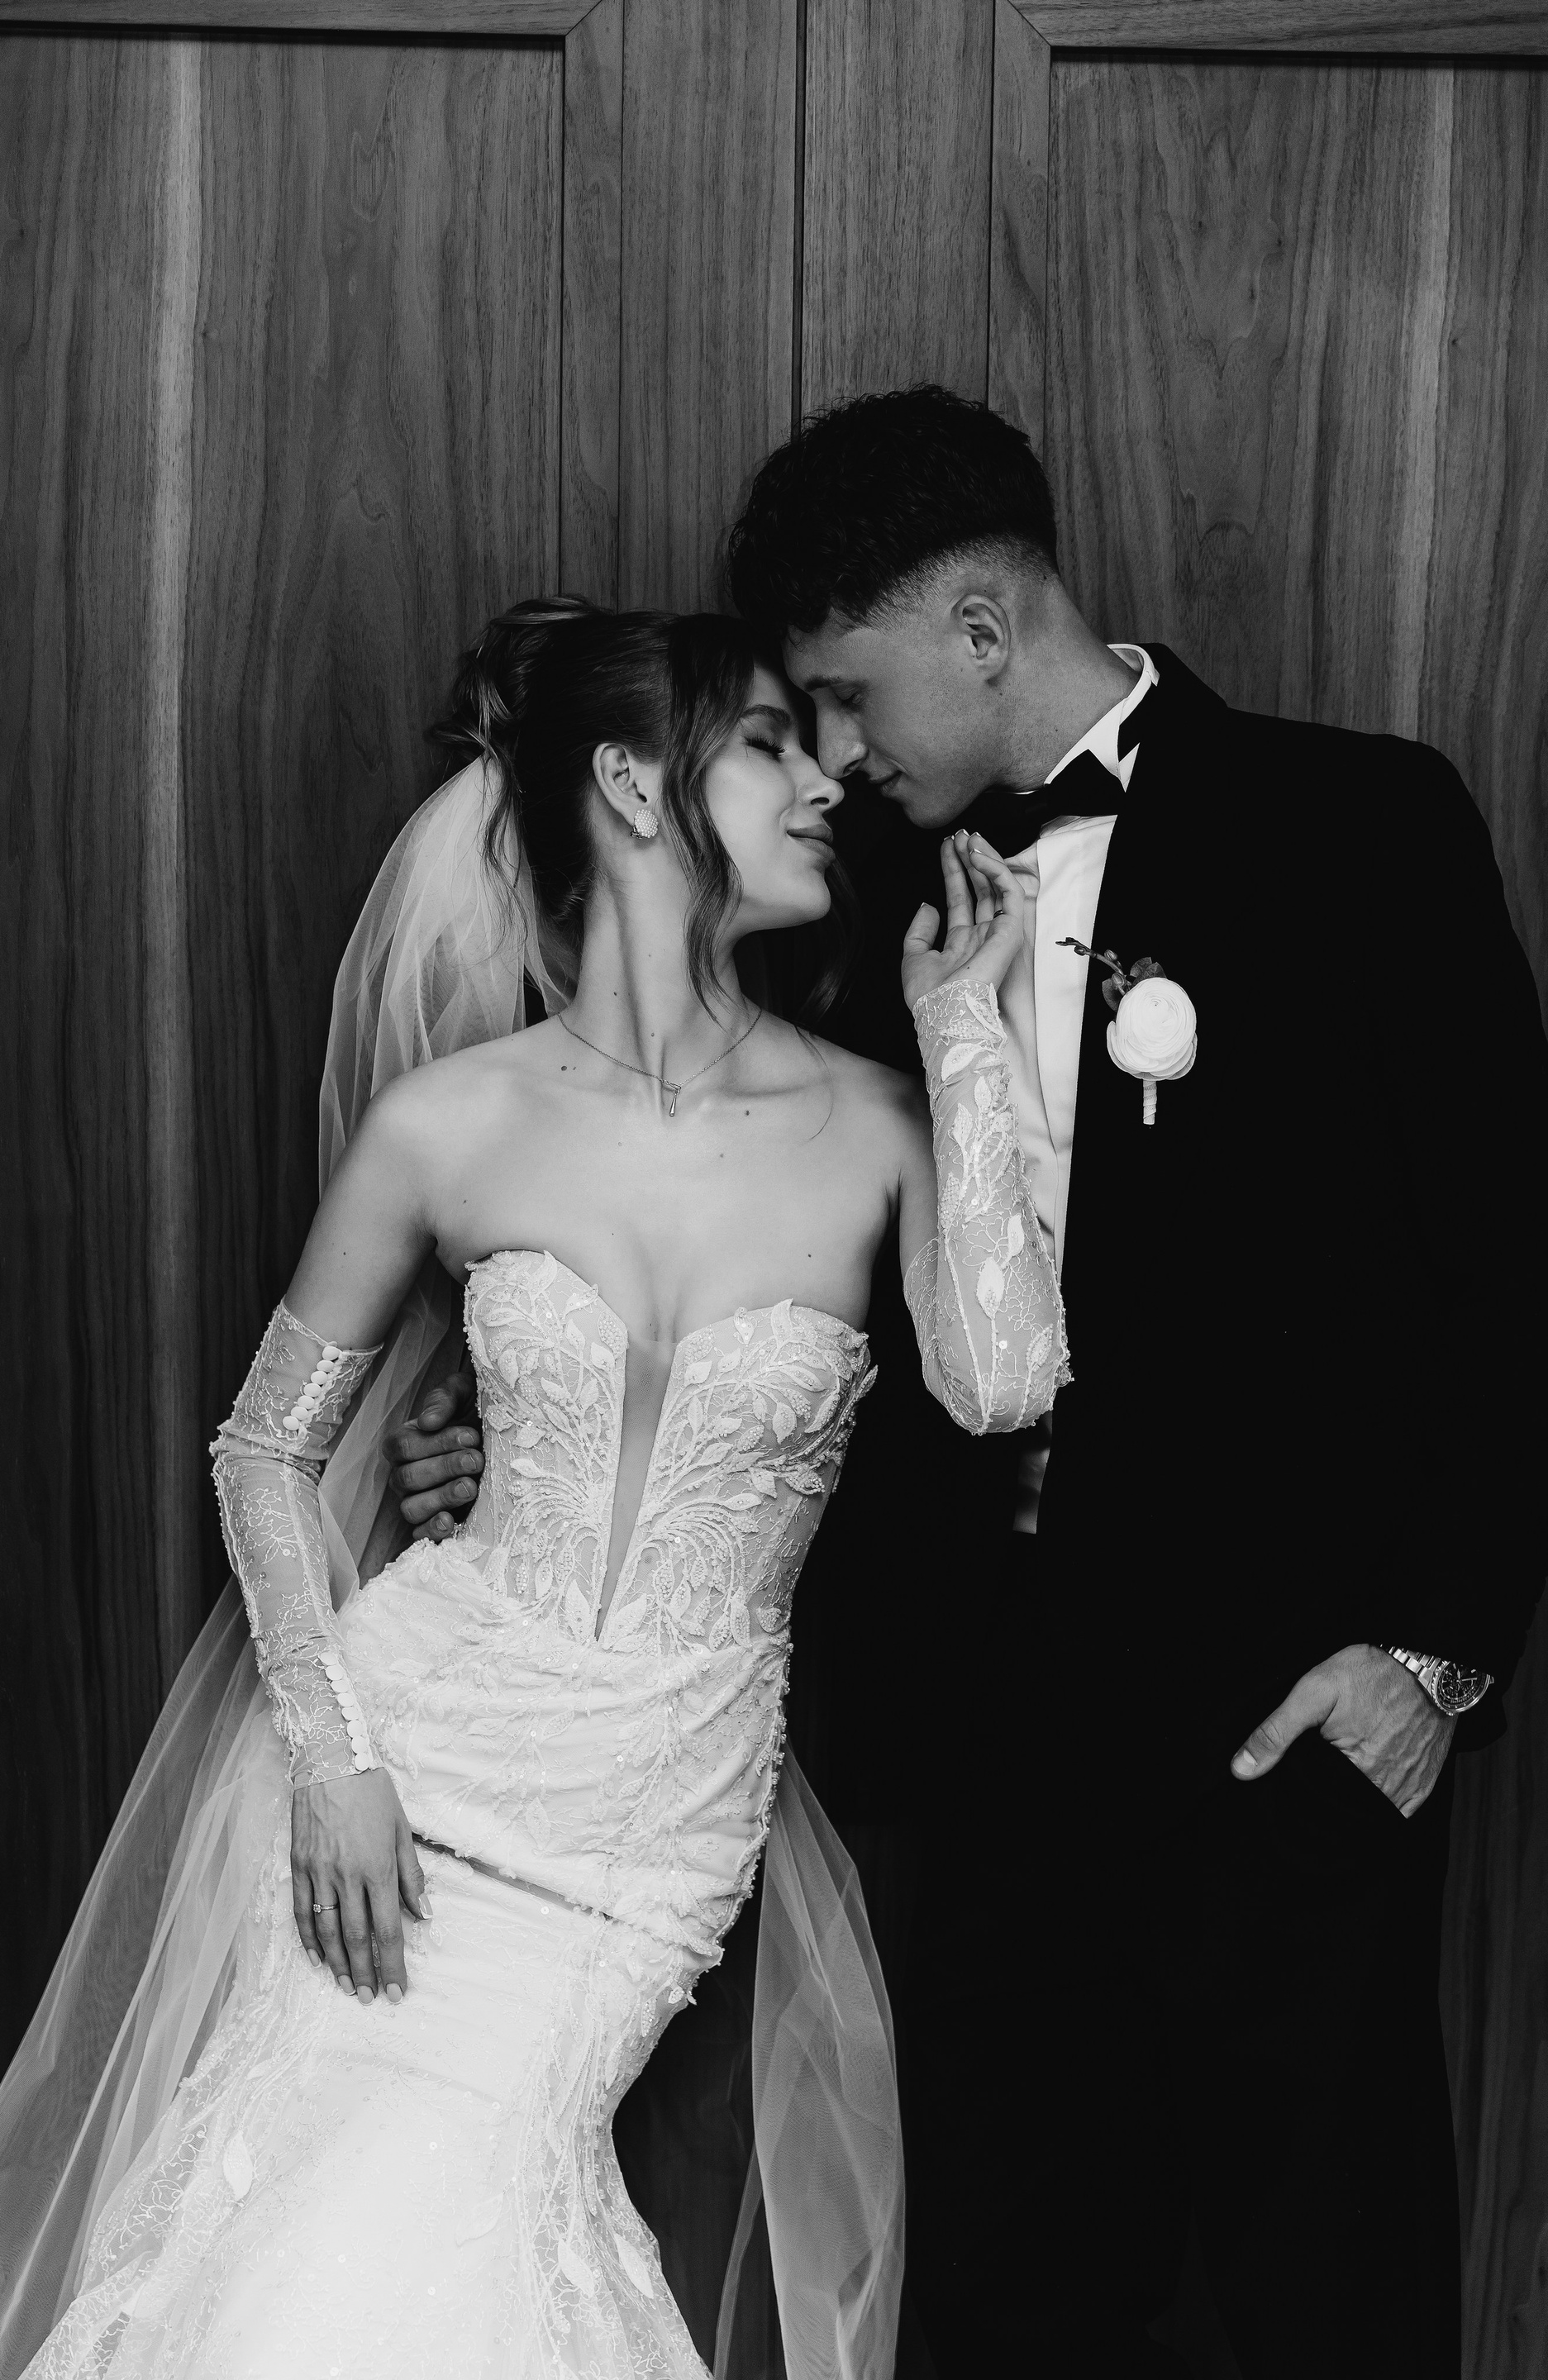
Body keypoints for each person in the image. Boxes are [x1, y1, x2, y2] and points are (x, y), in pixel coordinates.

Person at [393, 393, 1548, 2378]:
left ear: (988, 631)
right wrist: (537, 1437)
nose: (833, 754)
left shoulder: (1361, 826)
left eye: (849, 696)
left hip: (1286, 1740)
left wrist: (1432, 1657)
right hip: (971, 1742)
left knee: (1333, 2296)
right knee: (1011, 2306)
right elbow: (702, 1202)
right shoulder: (829, 899)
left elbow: (1513, 1265)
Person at [0, 601, 1068, 2380]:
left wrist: (965, 1035)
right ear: (631, 785)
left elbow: (1002, 1379)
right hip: (405, 1767)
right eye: (769, 745)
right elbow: (264, 1448)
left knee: (463, 2200)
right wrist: (336, 1759)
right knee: (322, 2240)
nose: (826, 785)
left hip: (649, 1827)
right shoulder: (450, 1121)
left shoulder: (879, 1119)